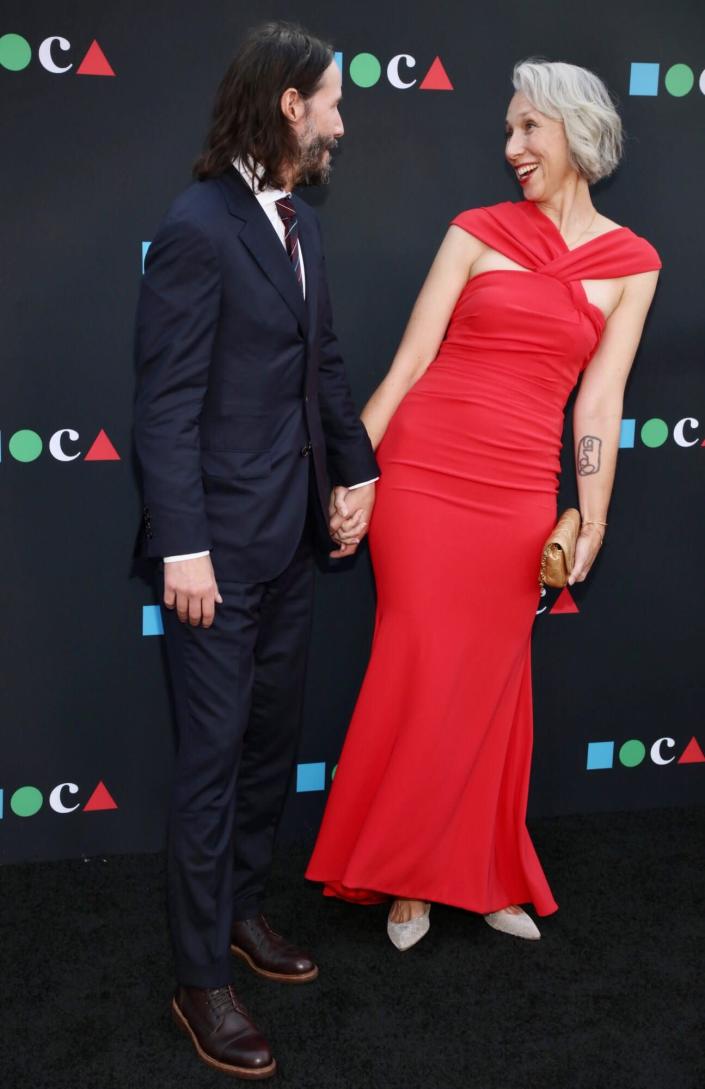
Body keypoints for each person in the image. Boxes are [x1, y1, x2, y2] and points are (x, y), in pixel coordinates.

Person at [306, 59, 661, 950]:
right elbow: (409, 364)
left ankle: (488, 869)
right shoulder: (475, 230)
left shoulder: (631, 263)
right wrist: (356, 472)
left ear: (575, 131)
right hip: (424, 474)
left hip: (516, 493)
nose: (511, 149)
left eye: (527, 129)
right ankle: (409, 878)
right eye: (507, 131)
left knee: (495, 684)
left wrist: (592, 515)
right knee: (420, 661)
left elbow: (599, 400)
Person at [133, 22, 378, 1079]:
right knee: (210, 769)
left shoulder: (300, 228)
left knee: (269, 749)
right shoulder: (198, 226)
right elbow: (165, 403)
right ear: (288, 106)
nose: (340, 120)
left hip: (287, 543)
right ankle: (200, 981)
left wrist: (355, 472)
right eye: (329, 101)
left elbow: (321, 364)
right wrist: (183, 546)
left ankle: (239, 914)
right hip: (215, 559)